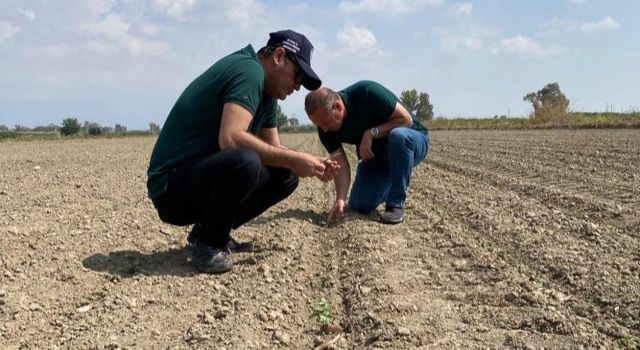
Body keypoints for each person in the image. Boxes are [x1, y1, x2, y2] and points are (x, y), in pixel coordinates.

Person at [147, 30, 337, 274]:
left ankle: (209, 229)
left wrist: (310, 162)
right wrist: (295, 158)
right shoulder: (250, 71)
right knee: (245, 161)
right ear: (279, 56)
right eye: (297, 76)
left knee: (286, 175)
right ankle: (209, 244)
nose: (297, 87)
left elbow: (275, 148)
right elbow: (231, 138)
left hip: (196, 179)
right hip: (169, 189)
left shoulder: (268, 96)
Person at [305, 80, 430, 225]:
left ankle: (395, 204)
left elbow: (406, 120)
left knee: (398, 136)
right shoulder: (325, 129)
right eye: (319, 125)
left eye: (326, 123)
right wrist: (340, 198)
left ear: (338, 107)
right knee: (360, 205)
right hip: (380, 157)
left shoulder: (367, 92)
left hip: (411, 141)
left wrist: (370, 133)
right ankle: (389, 181)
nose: (324, 129)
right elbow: (341, 163)